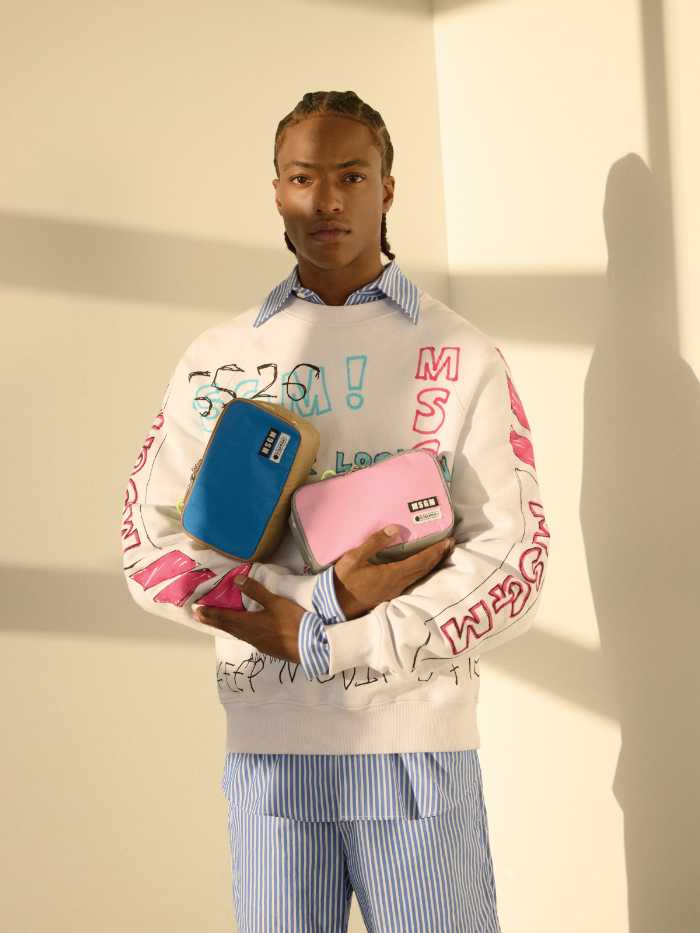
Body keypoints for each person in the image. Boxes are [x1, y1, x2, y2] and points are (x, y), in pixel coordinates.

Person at [120, 89, 551, 933]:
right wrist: (315, 604)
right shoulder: (218, 357)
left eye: (352, 176)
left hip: (415, 744)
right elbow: (148, 544)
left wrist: (333, 634)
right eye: (302, 177)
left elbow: (513, 558)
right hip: (270, 751)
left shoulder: (461, 354)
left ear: (388, 187)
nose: (327, 200)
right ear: (276, 191)